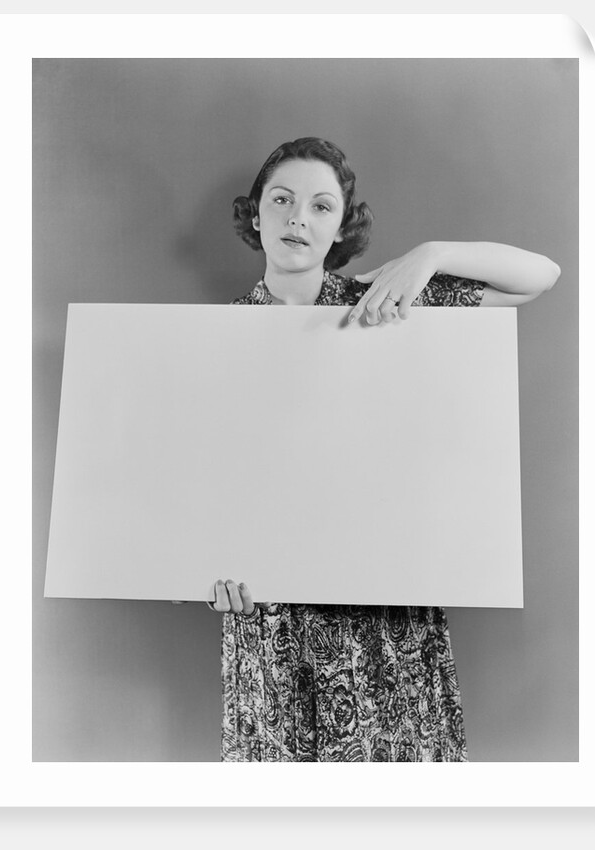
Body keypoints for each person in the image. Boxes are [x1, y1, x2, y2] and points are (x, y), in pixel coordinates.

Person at [201, 137, 560, 762]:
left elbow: (540, 277)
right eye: (282, 200)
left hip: (385, 622)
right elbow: (188, 488)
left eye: (320, 206)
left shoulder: (386, 304)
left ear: (340, 227)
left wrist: (432, 255)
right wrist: (197, 573)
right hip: (272, 626)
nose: (297, 218)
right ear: (256, 213)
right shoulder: (208, 340)